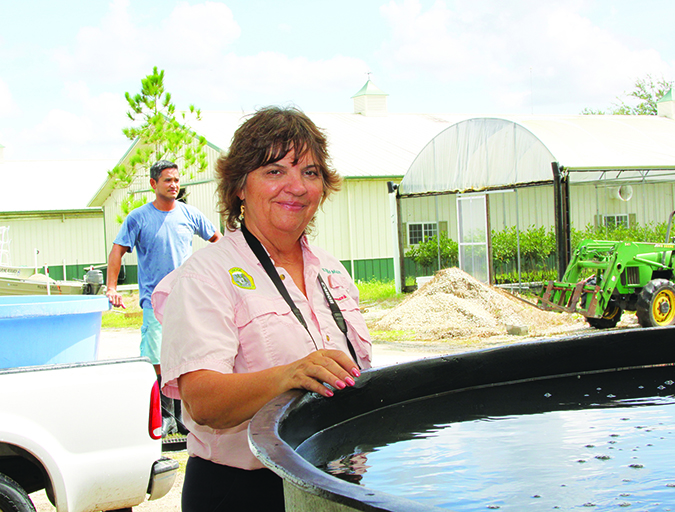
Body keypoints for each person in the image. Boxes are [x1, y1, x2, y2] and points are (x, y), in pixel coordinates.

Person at [151, 106, 372, 511]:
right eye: (274, 171)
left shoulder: (333, 272)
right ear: (239, 186)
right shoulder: (204, 276)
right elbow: (202, 401)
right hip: (243, 493)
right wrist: (290, 374)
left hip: (337, 484)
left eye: (310, 172)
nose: (297, 186)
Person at [106, 159, 222, 436]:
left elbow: (218, 242)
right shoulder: (138, 218)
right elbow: (117, 251)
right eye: (168, 180)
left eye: (176, 180)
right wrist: (111, 287)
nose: (174, 185)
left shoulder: (190, 214)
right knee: (156, 359)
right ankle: (163, 415)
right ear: (153, 184)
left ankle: (183, 416)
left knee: (186, 356)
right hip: (153, 301)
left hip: (185, 299)